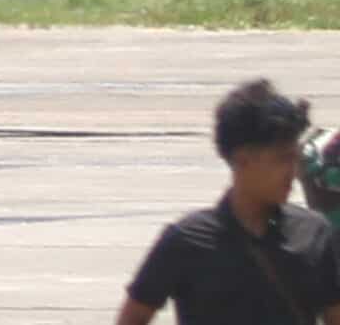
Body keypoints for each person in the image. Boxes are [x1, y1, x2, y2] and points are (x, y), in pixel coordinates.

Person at [118, 78, 340, 324]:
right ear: (243, 160)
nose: (293, 171)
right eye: (282, 159)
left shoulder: (314, 233)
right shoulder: (187, 240)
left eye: (295, 158)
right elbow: (134, 316)